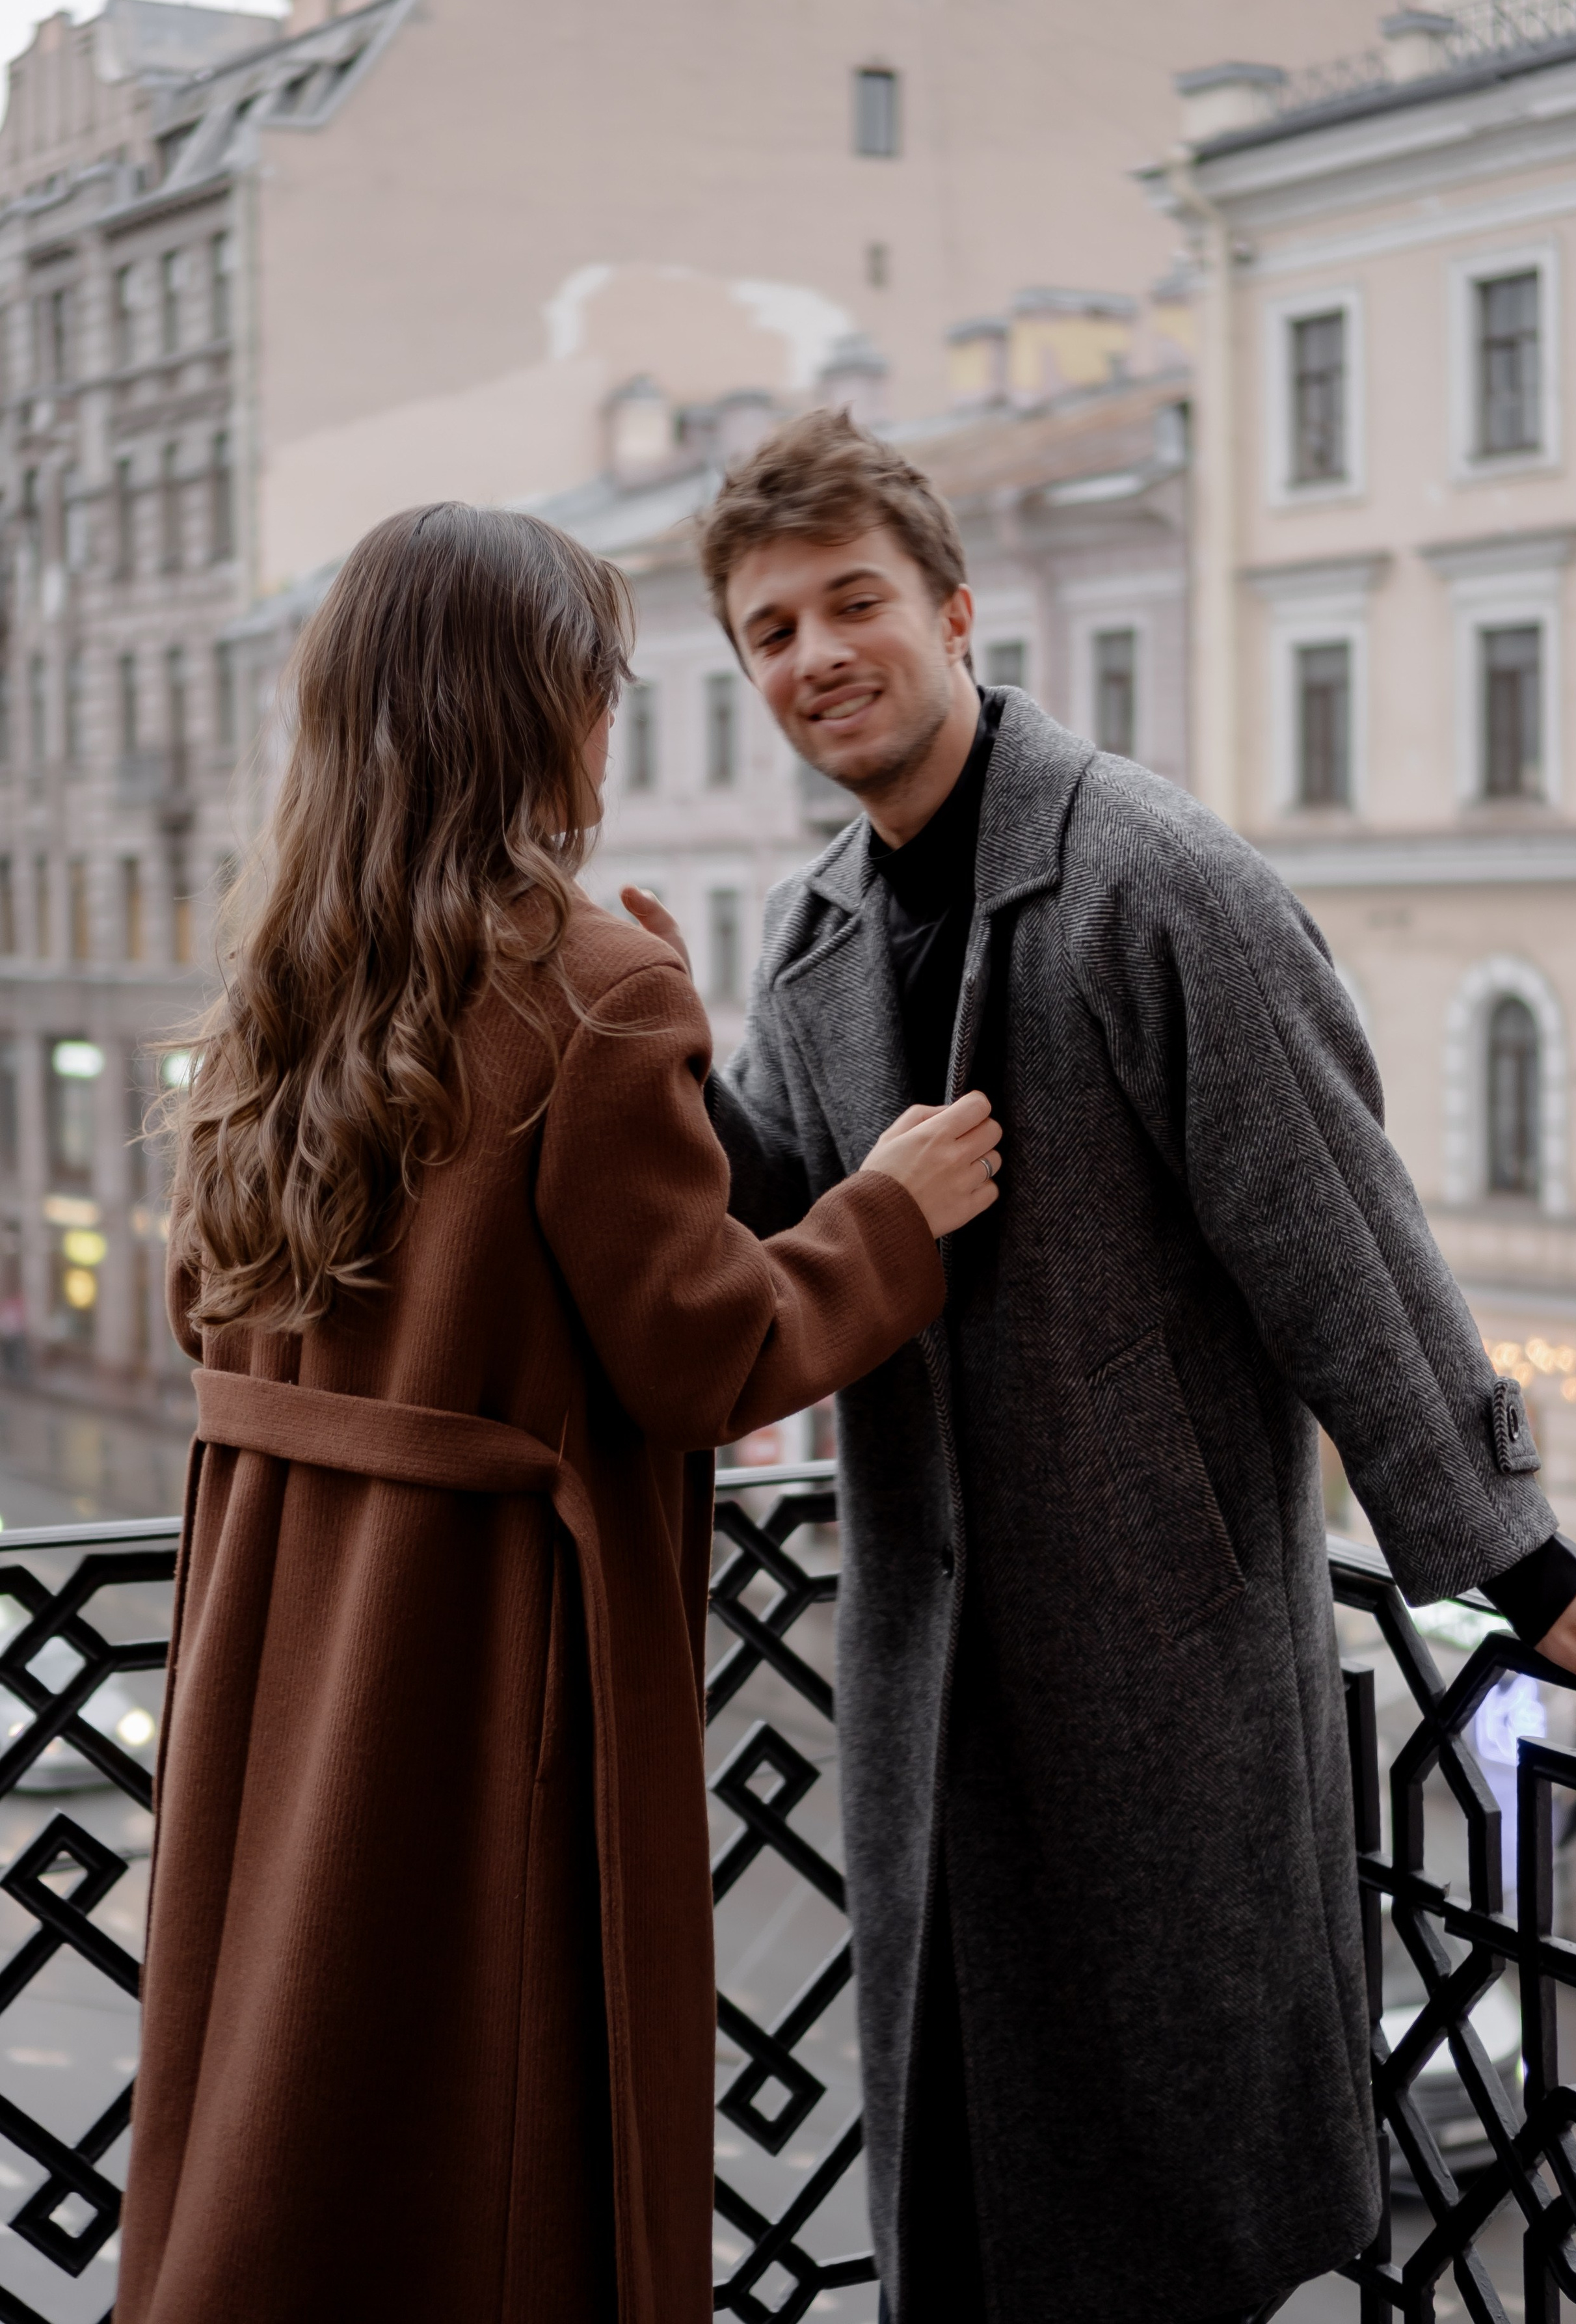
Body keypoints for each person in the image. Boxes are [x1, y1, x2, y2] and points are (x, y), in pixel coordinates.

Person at [623, 410, 1576, 2324]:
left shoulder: (1156, 875)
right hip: (929, 1687)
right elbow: (773, 1192)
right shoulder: (815, 923)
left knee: (1168, 2216)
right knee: (974, 2183)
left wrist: (1519, 1561)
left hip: (1159, 1676)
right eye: (770, 633)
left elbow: (1337, 1242)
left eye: (853, 605)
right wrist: (636, 1049)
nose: (815, 659)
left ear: (952, 612)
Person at [116, 502, 1002, 2324]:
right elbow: (703, 1357)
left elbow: (217, 1310)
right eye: (597, 688)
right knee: (493, 2156)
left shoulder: (280, 992)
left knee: (297, 2111)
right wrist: (887, 1221)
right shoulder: (590, 984)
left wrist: (650, 1033)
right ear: (543, 713)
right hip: (481, 1676)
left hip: (276, 1661)